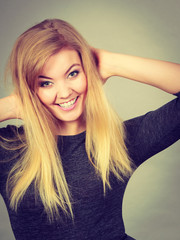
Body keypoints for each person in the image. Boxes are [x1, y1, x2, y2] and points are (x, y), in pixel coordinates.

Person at [0, 19, 179, 240]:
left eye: (73, 73)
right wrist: (9, 106)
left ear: (88, 71)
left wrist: (111, 63)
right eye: (46, 83)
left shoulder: (119, 140)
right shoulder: (9, 148)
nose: (64, 93)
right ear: (31, 89)